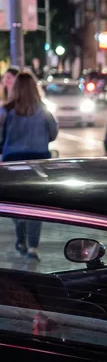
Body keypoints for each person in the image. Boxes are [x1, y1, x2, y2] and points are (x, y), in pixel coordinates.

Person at [0, 71, 59, 261]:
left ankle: (21, 237)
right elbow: (53, 133)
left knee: (16, 203)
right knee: (36, 204)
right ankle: (33, 246)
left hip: (13, 161)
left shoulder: (6, 110)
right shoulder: (43, 109)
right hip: (39, 161)